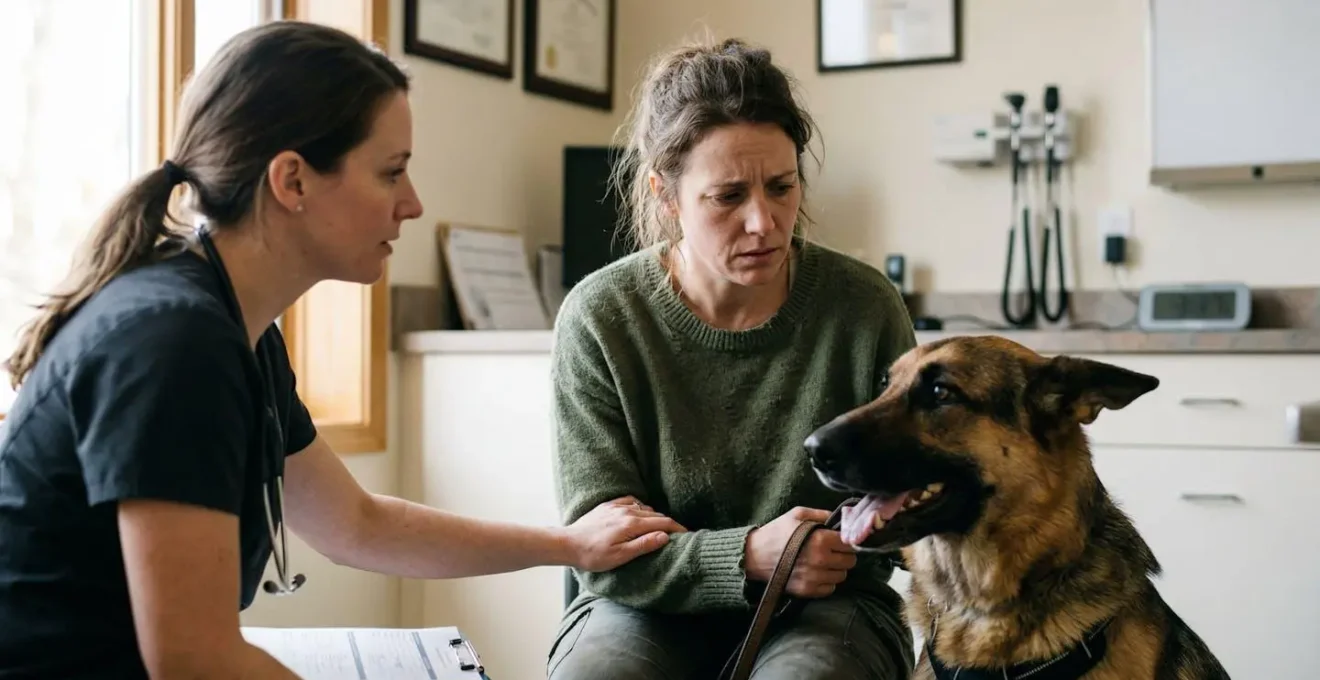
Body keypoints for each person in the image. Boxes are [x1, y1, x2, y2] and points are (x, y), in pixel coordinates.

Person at [0, 20, 685, 680]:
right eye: (391, 173)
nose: (413, 204)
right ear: (292, 181)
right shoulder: (176, 343)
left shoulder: (237, 330)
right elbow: (194, 661)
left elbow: (356, 525)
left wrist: (566, 545)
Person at [546, 36, 919, 679]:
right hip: (638, 608)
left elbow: (902, 510)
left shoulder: (864, 308)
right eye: (727, 197)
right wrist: (747, 556)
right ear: (666, 195)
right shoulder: (601, 317)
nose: (764, 223)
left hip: (831, 607)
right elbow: (600, 548)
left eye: (782, 186)